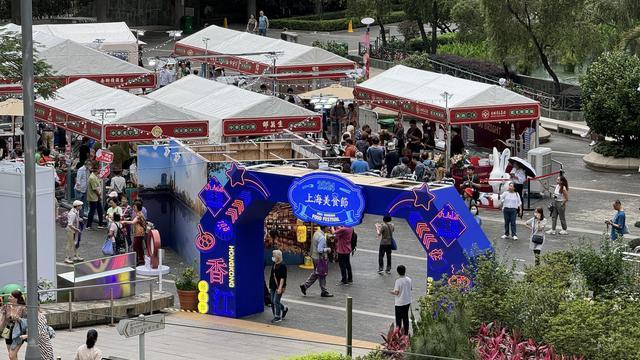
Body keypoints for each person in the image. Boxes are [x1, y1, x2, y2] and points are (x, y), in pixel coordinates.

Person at [300, 226, 333, 297]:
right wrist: (327, 249)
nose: (329, 228)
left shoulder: (316, 233)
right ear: (324, 228)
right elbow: (320, 250)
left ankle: (305, 286)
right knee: (322, 274)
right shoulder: (322, 238)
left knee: (317, 272)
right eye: (328, 227)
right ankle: (324, 291)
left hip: (314, 256)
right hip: (319, 258)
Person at [3, 290, 26, 360]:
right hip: (7, 330)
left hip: (18, 331)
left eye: (11, 296)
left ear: (16, 298)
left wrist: (18, 319)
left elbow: (27, 321)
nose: (9, 297)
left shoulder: (23, 307)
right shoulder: (7, 306)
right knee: (12, 355)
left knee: (12, 355)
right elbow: (2, 318)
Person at [390, 265, 412, 335]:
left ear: (398, 272)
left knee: (398, 319)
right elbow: (410, 288)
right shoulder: (409, 279)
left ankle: (398, 333)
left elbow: (396, 292)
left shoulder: (398, 281)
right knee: (405, 317)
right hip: (407, 301)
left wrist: (391, 292)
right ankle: (406, 333)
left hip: (399, 303)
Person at [269, 249, 288, 323]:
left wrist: (280, 288)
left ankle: (277, 317)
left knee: (276, 301)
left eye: (274, 255)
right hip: (273, 285)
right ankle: (284, 308)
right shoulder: (274, 264)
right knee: (272, 301)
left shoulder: (282, 265)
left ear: (278, 256)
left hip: (279, 286)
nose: (273, 257)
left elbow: (283, 278)